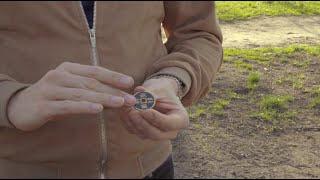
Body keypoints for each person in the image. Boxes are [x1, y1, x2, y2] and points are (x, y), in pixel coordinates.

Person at [0, 1, 223, 179]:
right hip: (21, 168)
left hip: (151, 167)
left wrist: (171, 79)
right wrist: (11, 100)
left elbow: (199, 34)